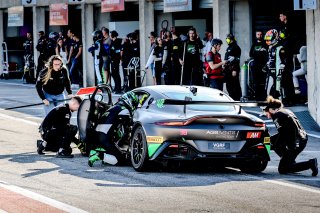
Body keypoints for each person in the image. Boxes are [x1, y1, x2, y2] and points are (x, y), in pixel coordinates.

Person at [263, 95, 318, 176]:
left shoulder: (277, 116)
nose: (267, 115)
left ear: (271, 109)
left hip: (296, 141)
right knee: (270, 141)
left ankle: (310, 163)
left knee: (283, 169)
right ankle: (289, 161)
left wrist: (273, 145)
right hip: (300, 138)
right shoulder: (285, 111)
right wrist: (267, 141)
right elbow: (285, 131)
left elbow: (283, 134)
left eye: (266, 112)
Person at [87, 91, 139, 167]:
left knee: (116, 150)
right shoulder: (124, 110)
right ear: (129, 101)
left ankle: (100, 153)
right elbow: (130, 127)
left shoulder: (113, 108)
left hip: (96, 138)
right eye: (134, 104)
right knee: (121, 160)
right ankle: (99, 155)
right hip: (104, 138)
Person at [249, 30, 269, 100]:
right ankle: (257, 97)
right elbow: (250, 54)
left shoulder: (265, 44)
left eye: (260, 34)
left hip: (264, 66)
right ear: (256, 35)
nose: (259, 36)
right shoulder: (254, 44)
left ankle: (263, 97)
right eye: (258, 34)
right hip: (255, 66)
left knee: (263, 82)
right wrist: (259, 54)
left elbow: (267, 54)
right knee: (256, 82)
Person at [224, 33, 242, 100]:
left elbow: (237, 59)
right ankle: (232, 98)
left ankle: (236, 98)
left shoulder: (236, 47)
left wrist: (234, 69)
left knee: (234, 84)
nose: (226, 40)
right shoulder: (229, 47)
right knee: (229, 85)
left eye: (228, 38)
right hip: (228, 69)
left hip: (233, 69)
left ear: (231, 39)